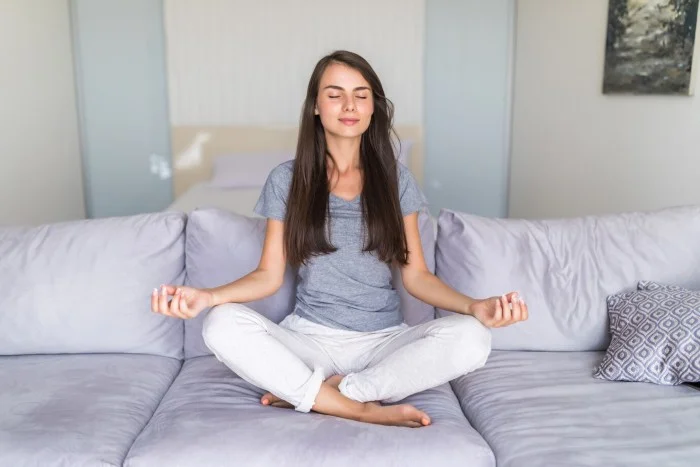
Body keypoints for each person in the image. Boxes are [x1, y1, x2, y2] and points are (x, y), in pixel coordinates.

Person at [151, 50, 528, 428]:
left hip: (382, 343)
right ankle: (356, 405)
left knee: (474, 338)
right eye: (334, 94)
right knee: (220, 324)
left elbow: (417, 278)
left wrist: (475, 306)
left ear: (373, 107)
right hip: (309, 340)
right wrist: (207, 297)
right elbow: (267, 276)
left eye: (361, 95)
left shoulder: (397, 181)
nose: (349, 105)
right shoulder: (287, 180)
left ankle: (332, 392)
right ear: (316, 106)